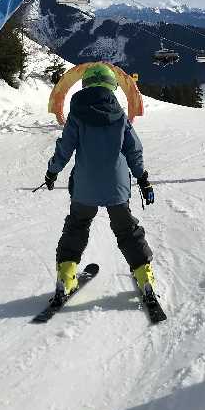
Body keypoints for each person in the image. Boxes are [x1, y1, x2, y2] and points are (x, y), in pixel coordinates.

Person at [44, 63, 157, 301]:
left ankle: (66, 277)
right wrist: (143, 179)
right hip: (116, 186)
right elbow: (134, 149)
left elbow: (64, 148)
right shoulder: (119, 115)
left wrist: (52, 172)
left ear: (86, 84)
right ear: (111, 85)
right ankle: (145, 277)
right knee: (127, 231)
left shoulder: (77, 114)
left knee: (76, 227)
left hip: (85, 186)